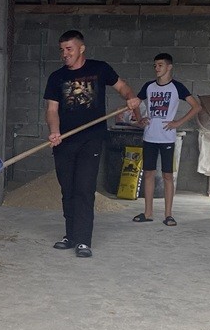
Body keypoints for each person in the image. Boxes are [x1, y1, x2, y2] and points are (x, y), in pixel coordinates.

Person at [44, 30, 140, 258]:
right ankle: (71, 236)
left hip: (92, 139)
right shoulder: (56, 77)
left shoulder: (100, 69)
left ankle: (83, 241)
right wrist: (55, 131)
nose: (64, 54)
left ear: (81, 48)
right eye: (62, 50)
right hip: (65, 141)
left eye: (69, 49)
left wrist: (131, 98)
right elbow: (51, 110)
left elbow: (123, 88)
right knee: (68, 190)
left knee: (84, 190)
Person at [132, 53, 202, 226]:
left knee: (167, 176)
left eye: (160, 65)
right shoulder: (148, 86)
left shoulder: (177, 87)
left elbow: (197, 106)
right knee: (148, 174)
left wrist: (178, 122)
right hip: (149, 137)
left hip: (167, 139)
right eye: (155, 65)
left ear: (169, 67)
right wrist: (140, 118)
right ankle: (148, 213)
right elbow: (135, 103)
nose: (157, 68)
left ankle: (168, 214)